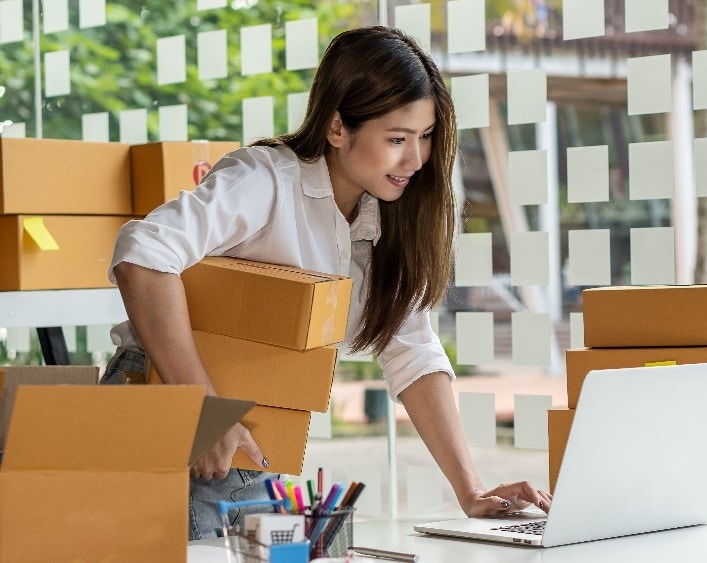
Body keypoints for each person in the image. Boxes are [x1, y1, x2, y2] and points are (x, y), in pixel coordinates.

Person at [101, 26, 552, 540]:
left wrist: (471, 491)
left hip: (251, 434)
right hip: (169, 403)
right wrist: (200, 406)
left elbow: (414, 354)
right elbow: (142, 255)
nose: (416, 160)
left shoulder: (385, 222)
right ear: (337, 127)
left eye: (426, 138)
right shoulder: (264, 181)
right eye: (397, 139)